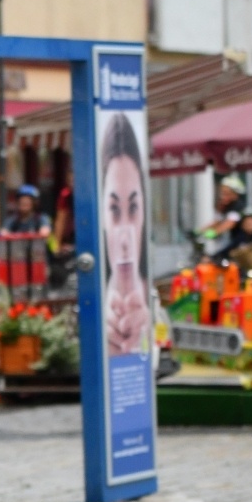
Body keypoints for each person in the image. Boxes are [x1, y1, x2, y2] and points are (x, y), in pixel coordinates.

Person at [99, 114, 150, 358]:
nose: (124, 237)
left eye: (133, 208)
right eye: (114, 210)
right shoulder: (96, 297)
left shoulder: (153, 302)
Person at [199, 174, 247, 254]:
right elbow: (217, 221)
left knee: (216, 258)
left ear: (235, 194)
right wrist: (200, 231)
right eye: (222, 193)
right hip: (232, 242)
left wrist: (214, 233)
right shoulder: (227, 206)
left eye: (226, 193)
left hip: (241, 245)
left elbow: (229, 223)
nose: (222, 196)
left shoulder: (238, 206)